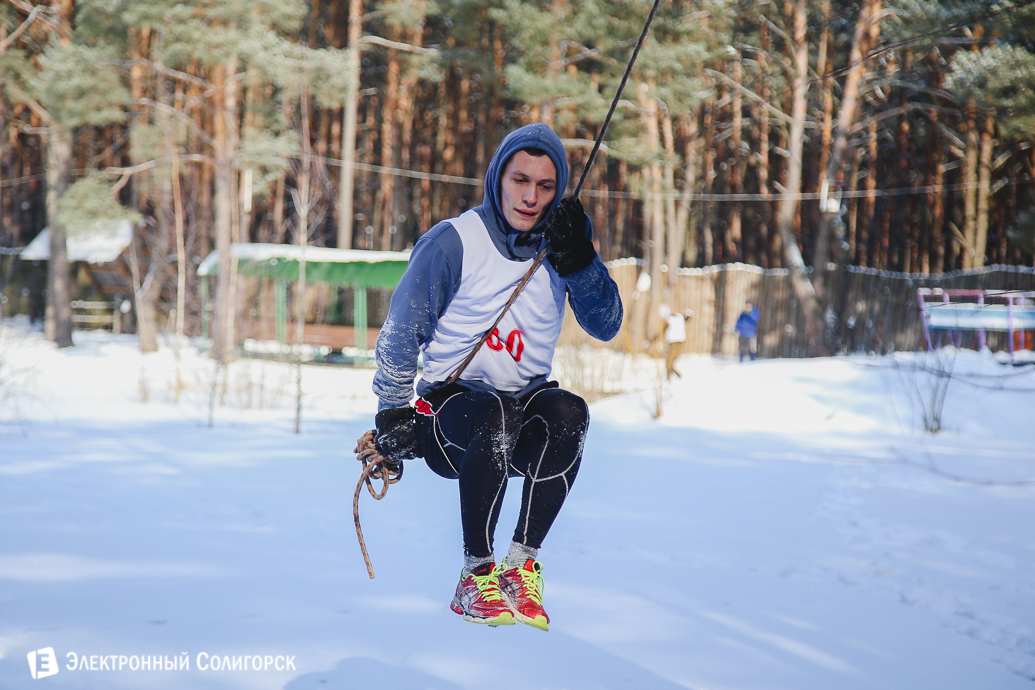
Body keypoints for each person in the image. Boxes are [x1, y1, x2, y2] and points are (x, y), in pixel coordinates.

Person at [370, 123, 623, 631]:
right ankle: (474, 574)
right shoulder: (454, 241)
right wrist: (392, 409)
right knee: (494, 409)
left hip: (522, 417)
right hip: (453, 423)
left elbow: (606, 323)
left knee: (570, 411)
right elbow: (402, 329)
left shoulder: (562, 245)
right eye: (519, 180)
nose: (531, 197)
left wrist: (581, 260)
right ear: (497, 178)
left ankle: (519, 567)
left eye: (546, 186)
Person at [657, 303, 690, 379]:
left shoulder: (669, 320)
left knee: (669, 362)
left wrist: (653, 340)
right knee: (670, 361)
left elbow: (661, 332)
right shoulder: (679, 316)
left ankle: (673, 378)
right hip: (680, 341)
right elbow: (686, 318)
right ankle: (673, 377)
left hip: (674, 343)